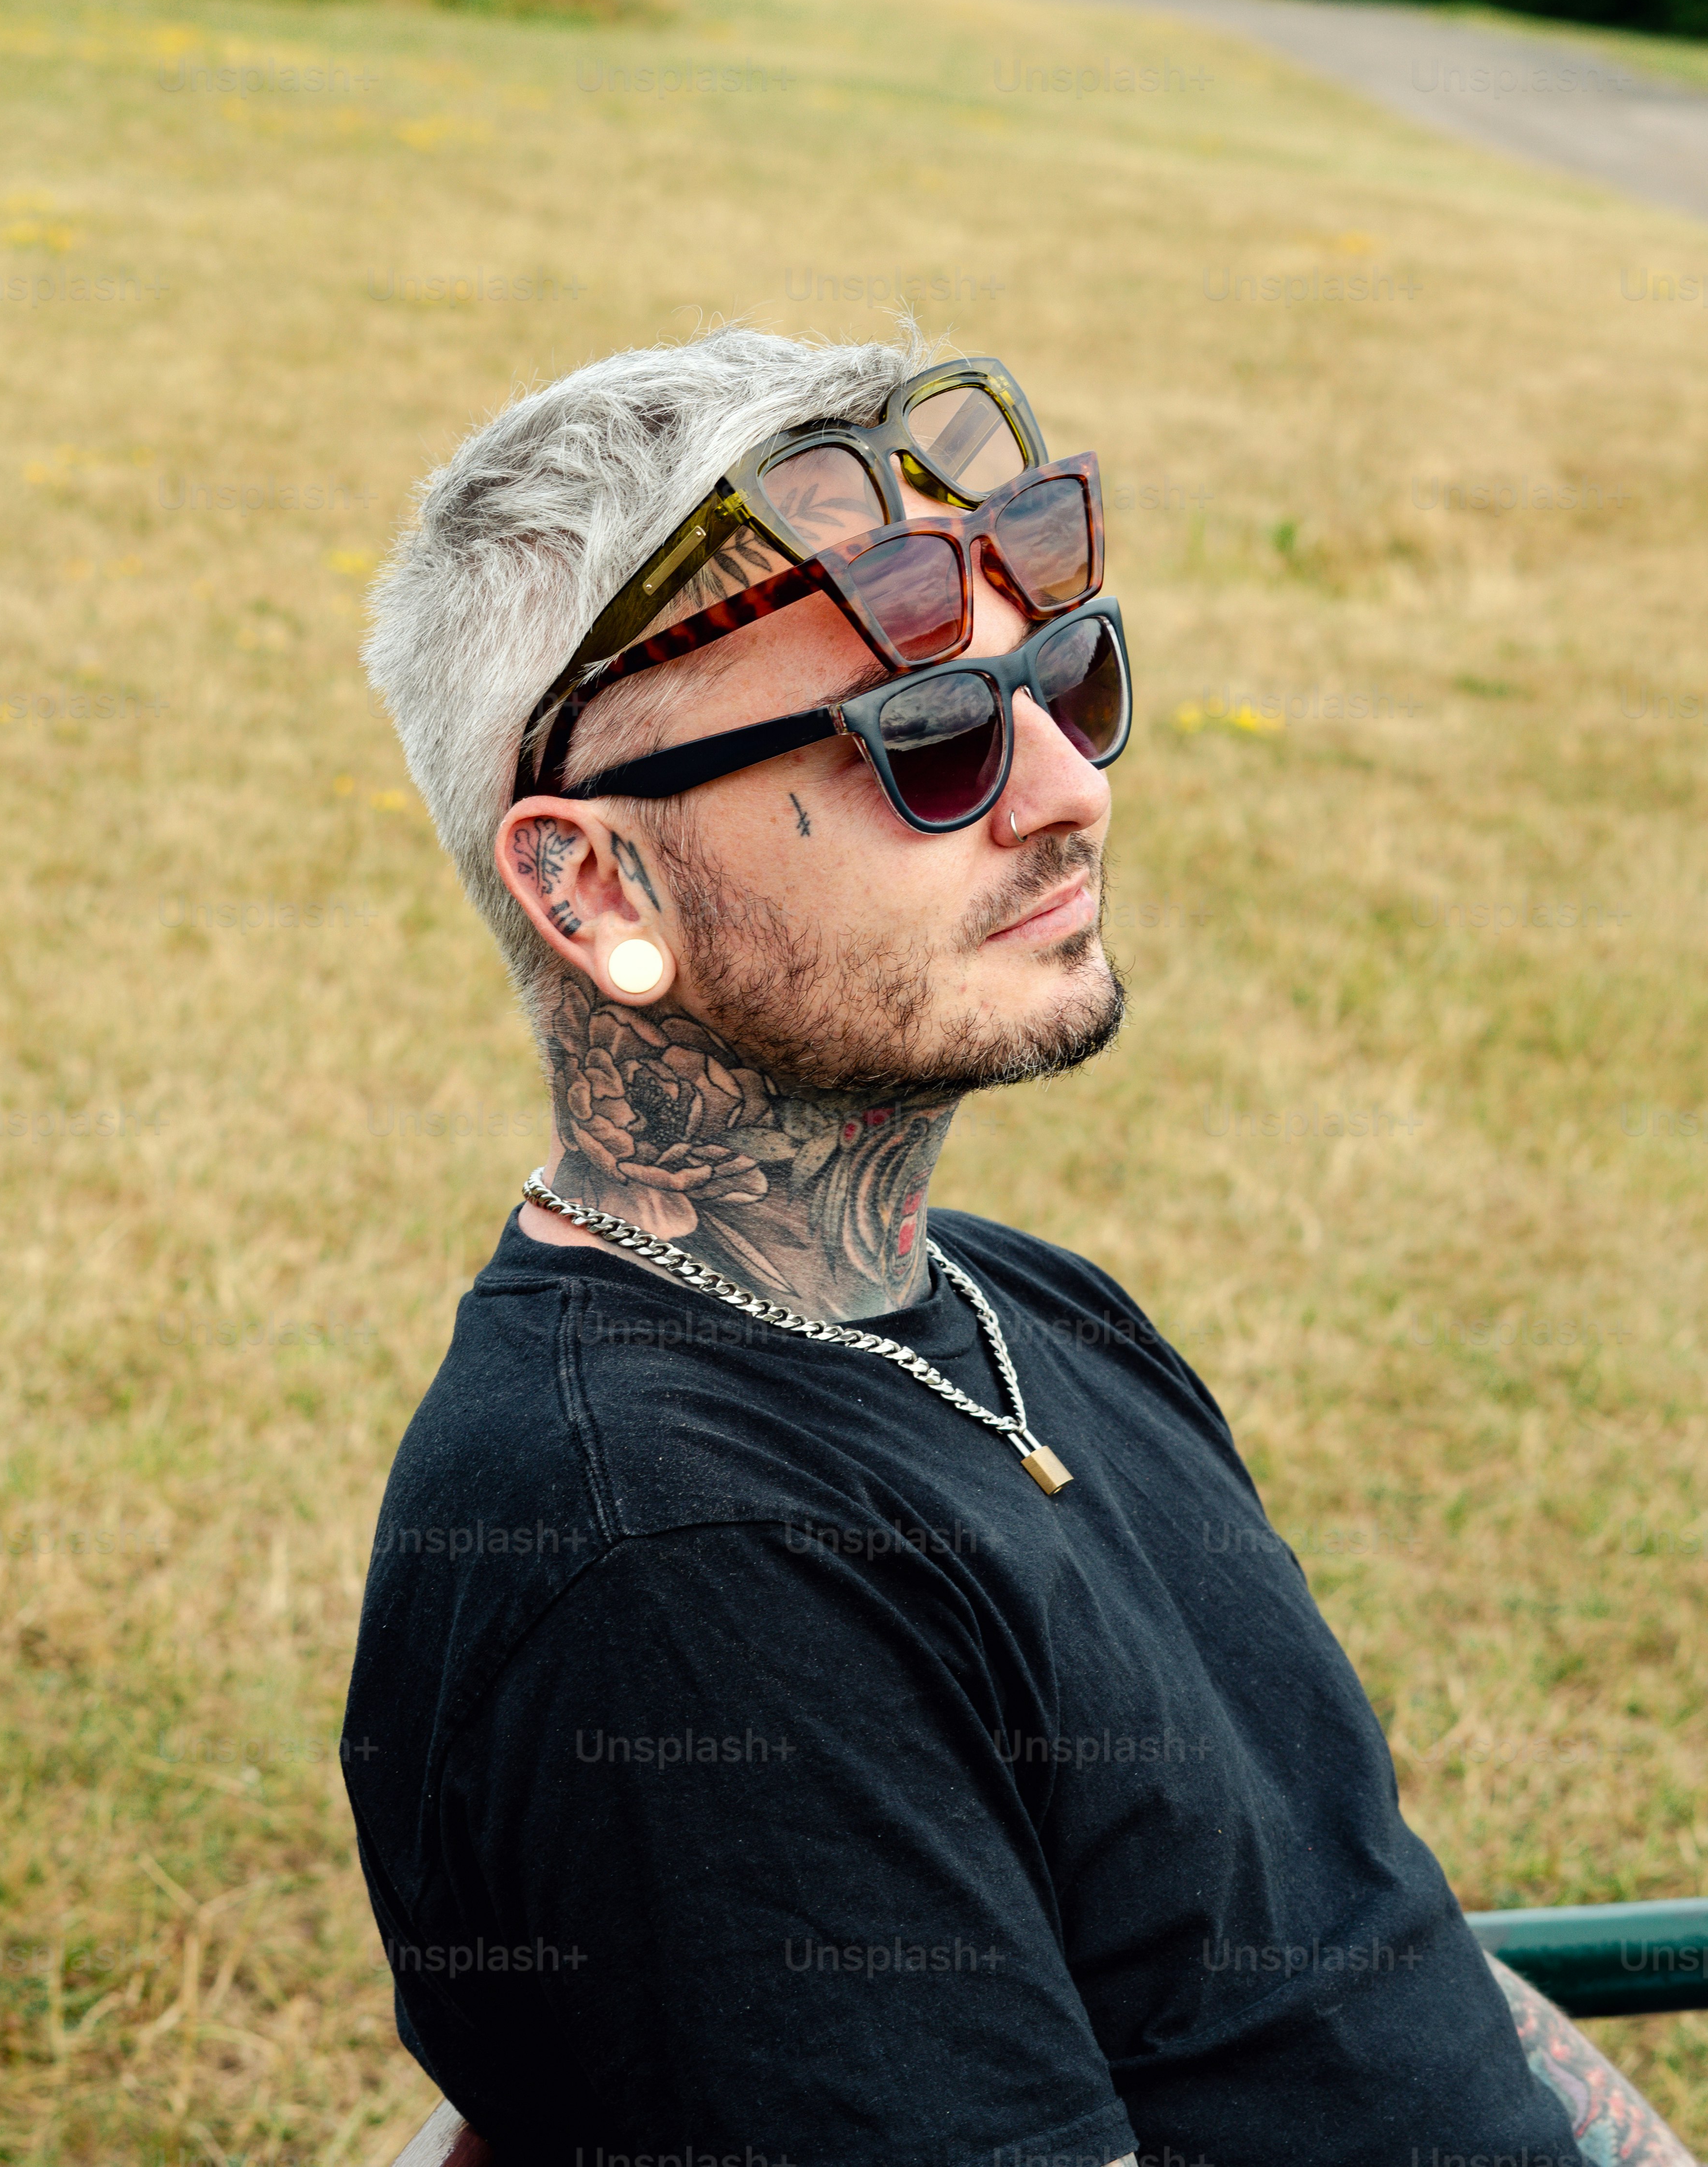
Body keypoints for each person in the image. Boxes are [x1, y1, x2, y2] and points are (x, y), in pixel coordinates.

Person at [343, 327, 1693, 2167]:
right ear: (597, 882)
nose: (1069, 788)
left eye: (1064, 679)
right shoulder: (682, 1572)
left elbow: (1369, 1954)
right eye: (927, 738)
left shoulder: (1023, 1301)